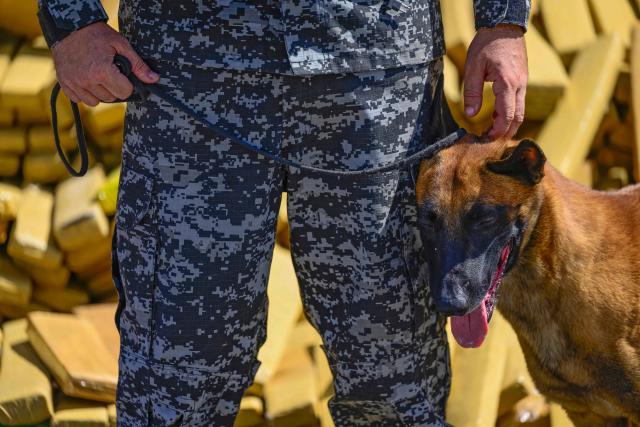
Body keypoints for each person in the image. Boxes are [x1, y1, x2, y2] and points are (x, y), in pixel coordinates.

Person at [39, 0, 529, 425]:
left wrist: (502, 20)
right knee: (179, 371)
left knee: (394, 375)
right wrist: (71, 18)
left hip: (373, 67)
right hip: (191, 68)